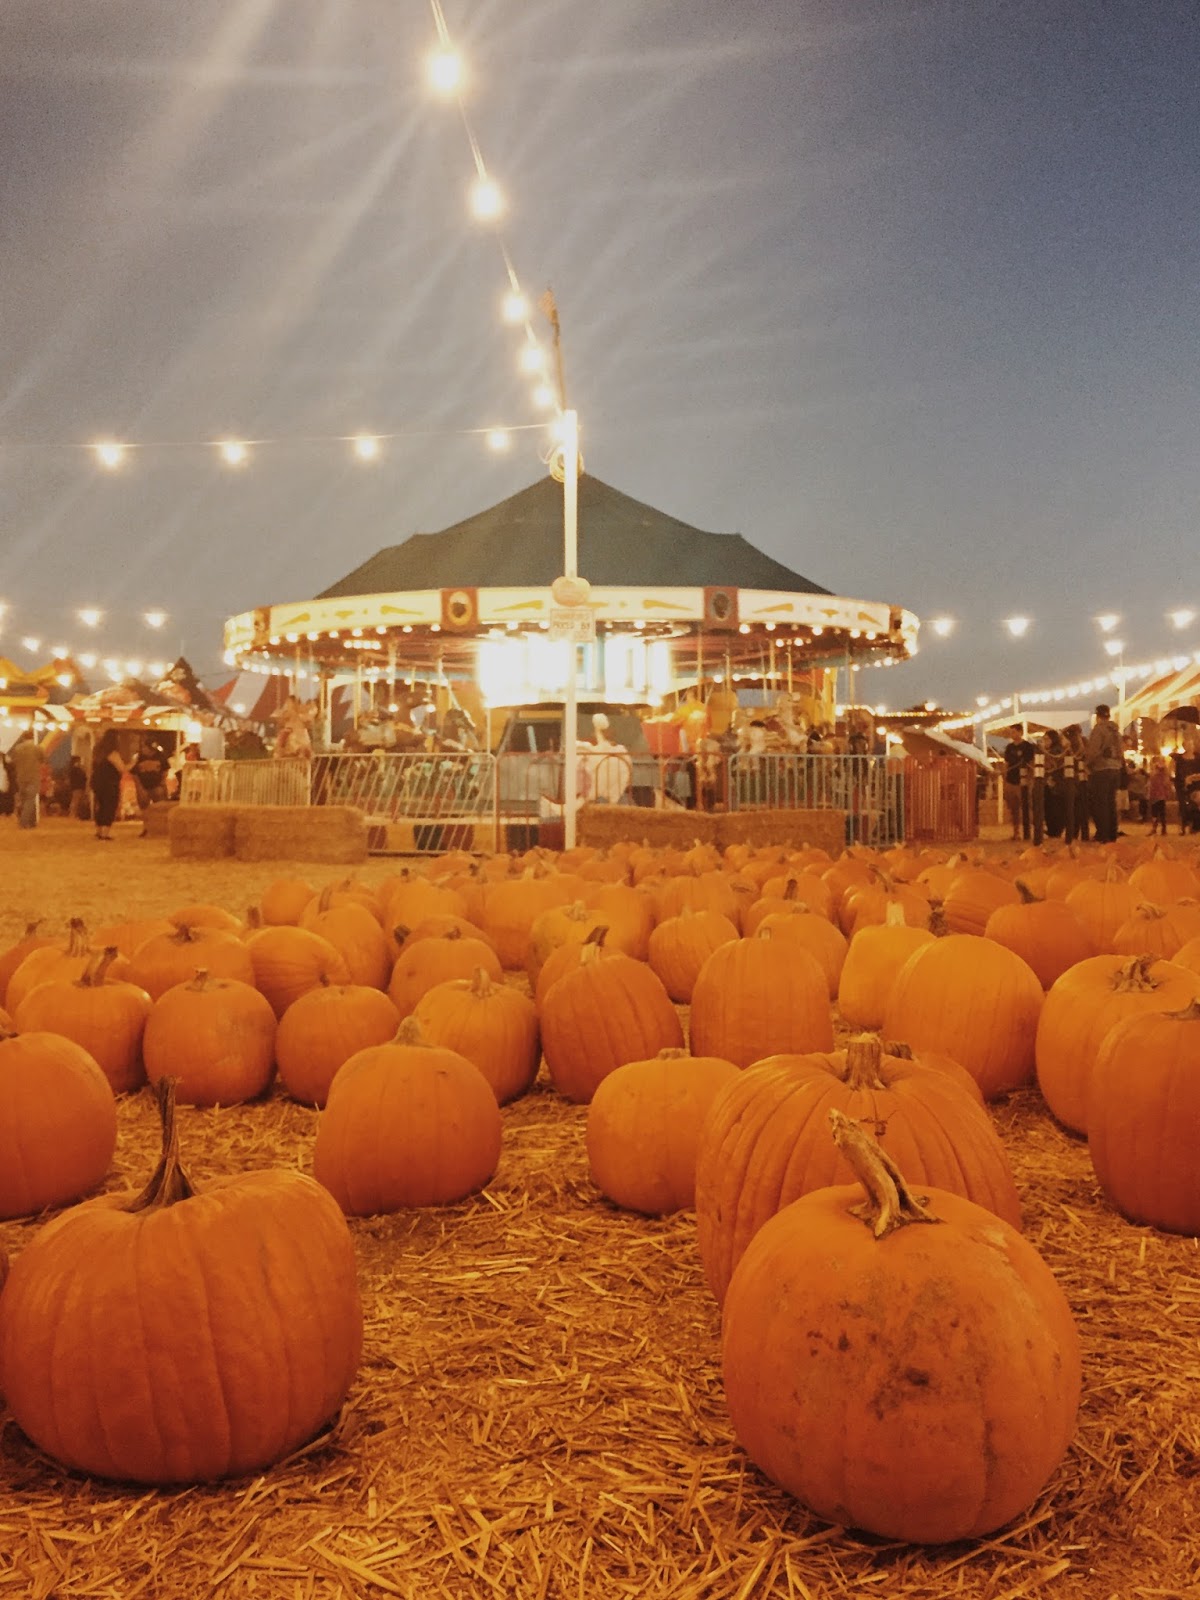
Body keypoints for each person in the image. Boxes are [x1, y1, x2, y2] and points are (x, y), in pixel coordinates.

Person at [1084, 704, 1123, 844]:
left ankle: (1103, 834)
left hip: (1101, 770)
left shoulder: (1098, 730)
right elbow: (1121, 753)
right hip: (1115, 770)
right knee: (1111, 802)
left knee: (1100, 803)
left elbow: (1092, 752)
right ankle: (1112, 834)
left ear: (1097, 716)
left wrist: (1086, 764)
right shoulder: (1116, 732)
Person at [90, 728, 128, 840]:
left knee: (100, 805)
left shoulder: (97, 751)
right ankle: (105, 833)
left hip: (97, 781)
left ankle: (98, 830)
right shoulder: (112, 753)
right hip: (109, 782)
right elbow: (121, 768)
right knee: (109, 806)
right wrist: (132, 764)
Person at [1001, 726, 1036, 841]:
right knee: (1014, 808)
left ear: (1020, 732)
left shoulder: (1027, 746)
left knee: (1027, 806)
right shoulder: (1009, 747)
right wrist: (1005, 777)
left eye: (1014, 732)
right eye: (1011, 732)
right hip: (1011, 780)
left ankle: (1030, 831)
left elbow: (1032, 762)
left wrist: (1031, 777)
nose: (1012, 734)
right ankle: (1016, 832)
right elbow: (1006, 763)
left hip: (1024, 781)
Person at [9, 730, 45, 830]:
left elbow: (13, 762)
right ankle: (24, 822)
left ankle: (32, 822)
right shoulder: (37, 748)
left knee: (25, 799)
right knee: (30, 799)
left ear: (23, 738)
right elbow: (43, 760)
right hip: (33, 776)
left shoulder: (17, 748)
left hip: (20, 777)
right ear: (33, 737)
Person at [132, 739, 169, 805]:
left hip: (157, 787)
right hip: (143, 788)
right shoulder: (138, 758)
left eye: (144, 747)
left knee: (160, 807)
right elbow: (134, 774)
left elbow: (165, 770)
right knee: (144, 809)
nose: (142, 749)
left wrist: (162, 784)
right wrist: (139, 788)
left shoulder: (161, 757)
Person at [1147, 757, 1172, 835]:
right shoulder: (1159, 775)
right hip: (1157, 795)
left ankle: (1159, 829)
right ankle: (1160, 829)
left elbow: (1166, 784)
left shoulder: (1160, 775)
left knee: (1159, 813)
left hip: (1158, 796)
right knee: (1159, 813)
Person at [67, 755, 90, 820]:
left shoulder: (74, 769)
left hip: (78, 787)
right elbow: (81, 777)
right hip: (77, 787)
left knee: (76, 800)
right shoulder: (75, 769)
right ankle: (73, 814)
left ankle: (74, 814)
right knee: (76, 801)